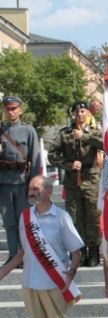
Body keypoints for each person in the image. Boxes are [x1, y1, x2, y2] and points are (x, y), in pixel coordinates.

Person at [0, 176, 81, 318]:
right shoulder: (25, 217)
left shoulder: (61, 217)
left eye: (36, 188)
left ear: (48, 191)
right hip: (30, 282)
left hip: (55, 283)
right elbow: (23, 253)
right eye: (30, 189)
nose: (31, 192)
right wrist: (3, 272)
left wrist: (71, 273)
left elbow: (76, 252)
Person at [48, 101, 104, 267]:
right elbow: (52, 155)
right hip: (73, 180)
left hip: (91, 179)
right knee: (74, 217)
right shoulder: (65, 133)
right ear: (73, 114)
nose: (80, 114)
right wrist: (68, 164)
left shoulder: (95, 132)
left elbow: (106, 144)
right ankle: (79, 251)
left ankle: (93, 252)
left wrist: (84, 136)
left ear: (88, 113)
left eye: (83, 111)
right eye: (77, 112)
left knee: (92, 216)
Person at [1, 96, 40, 264]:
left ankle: (24, 255)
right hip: (3, 182)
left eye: (14, 108)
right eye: (8, 109)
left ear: (20, 110)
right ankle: (12, 255)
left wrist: (34, 184)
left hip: (23, 181)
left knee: (24, 221)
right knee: (9, 222)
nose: (11, 112)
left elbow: (36, 157)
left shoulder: (29, 130)